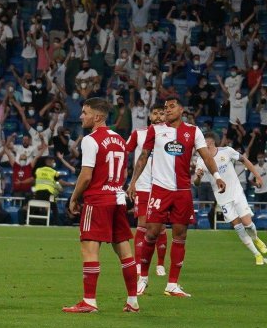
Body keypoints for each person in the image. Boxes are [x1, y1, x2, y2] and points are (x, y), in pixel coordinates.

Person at [127, 97, 226, 297]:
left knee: (180, 236)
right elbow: (144, 156)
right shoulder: (155, 130)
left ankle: (172, 284)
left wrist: (217, 176)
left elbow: (206, 156)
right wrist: (133, 181)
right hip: (160, 190)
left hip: (182, 192)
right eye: (165, 108)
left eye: (172, 107)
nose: (167, 110)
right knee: (151, 233)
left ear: (182, 109)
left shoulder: (193, 131)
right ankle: (143, 278)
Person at [63, 98, 139, 313]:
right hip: (117, 198)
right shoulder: (119, 140)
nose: (81, 116)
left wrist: (74, 197)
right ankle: (133, 301)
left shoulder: (90, 140)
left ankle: (89, 301)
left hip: (97, 200)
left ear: (97, 117)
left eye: (85, 113)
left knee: (89, 248)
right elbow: (124, 172)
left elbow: (86, 176)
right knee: (124, 251)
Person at [194, 134, 267, 265]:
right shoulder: (201, 160)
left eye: (208, 141)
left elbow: (244, 160)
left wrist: (257, 176)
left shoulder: (226, 151)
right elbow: (196, 183)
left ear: (213, 142)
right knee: (238, 227)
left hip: (236, 193)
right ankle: (257, 254)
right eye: (204, 142)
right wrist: (198, 177)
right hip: (222, 198)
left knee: (248, 224)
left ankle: (255, 238)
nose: (206, 143)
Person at [126, 105, 168, 286]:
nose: (158, 116)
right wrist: (132, 182)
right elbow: (125, 150)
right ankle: (137, 264)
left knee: (160, 227)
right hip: (143, 185)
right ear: (150, 116)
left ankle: (160, 263)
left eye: (161, 113)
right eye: (155, 113)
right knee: (142, 225)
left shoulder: (171, 134)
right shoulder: (139, 133)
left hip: (162, 185)